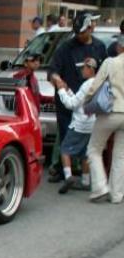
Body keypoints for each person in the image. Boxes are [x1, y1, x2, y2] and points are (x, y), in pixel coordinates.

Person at [48, 11, 107, 182]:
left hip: (89, 104)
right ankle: (61, 170)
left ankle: (85, 174)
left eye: (83, 32)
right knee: (66, 135)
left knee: (88, 140)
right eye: (77, 33)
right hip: (68, 101)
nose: (80, 36)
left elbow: (104, 73)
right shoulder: (66, 47)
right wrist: (58, 80)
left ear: (90, 28)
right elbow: (53, 71)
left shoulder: (99, 47)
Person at [80, 35, 124, 203]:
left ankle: (100, 187)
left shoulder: (110, 63)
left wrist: (86, 103)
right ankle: (117, 194)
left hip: (111, 112)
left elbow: (94, 86)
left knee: (94, 149)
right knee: (121, 155)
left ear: (120, 47)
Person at [52, 57, 97, 194]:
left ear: (90, 68)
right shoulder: (97, 83)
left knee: (65, 149)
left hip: (79, 124)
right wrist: (68, 90)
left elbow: (71, 104)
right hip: (92, 124)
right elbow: (79, 100)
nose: (81, 71)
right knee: (85, 154)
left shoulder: (86, 85)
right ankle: (85, 181)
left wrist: (60, 90)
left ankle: (68, 176)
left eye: (83, 68)